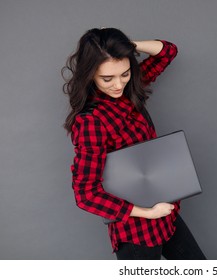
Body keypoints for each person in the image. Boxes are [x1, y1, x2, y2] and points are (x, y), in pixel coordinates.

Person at [62, 28, 206, 260]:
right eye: (107, 78)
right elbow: (85, 194)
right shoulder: (91, 122)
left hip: (165, 211)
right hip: (136, 230)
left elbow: (168, 51)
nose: (118, 85)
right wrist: (147, 213)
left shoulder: (128, 90)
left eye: (125, 73)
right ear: (90, 75)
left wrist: (126, 47)